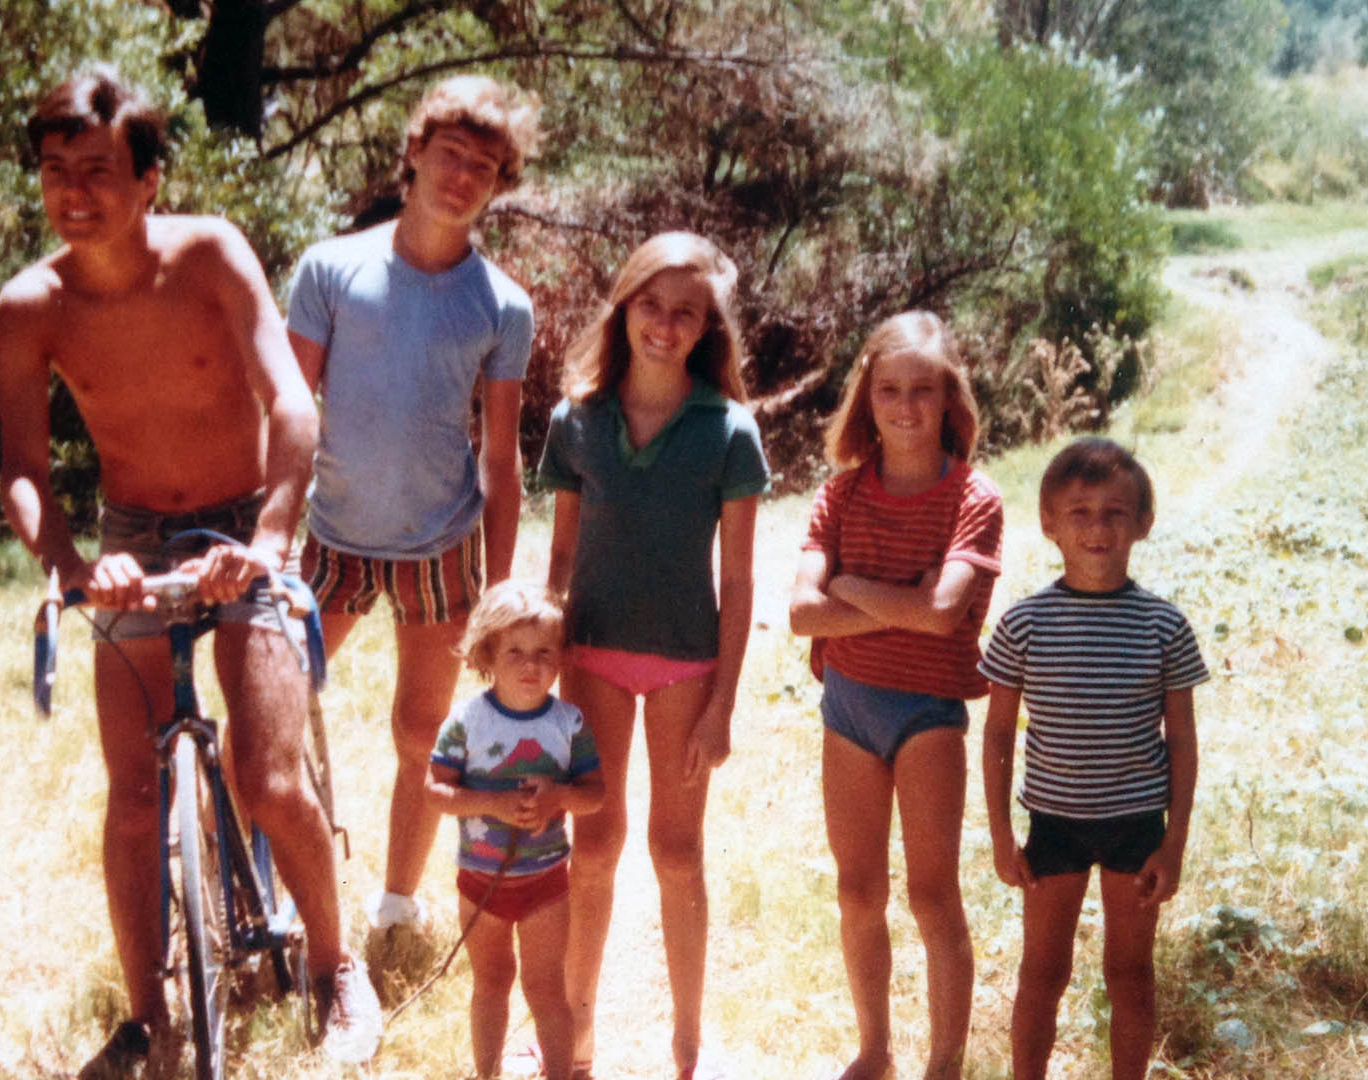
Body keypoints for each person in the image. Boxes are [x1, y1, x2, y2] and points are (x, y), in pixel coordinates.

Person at [0, 67, 380, 1075]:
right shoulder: (29, 305)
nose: (75, 194)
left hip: (244, 525)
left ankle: (336, 969)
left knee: (267, 774)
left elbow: (290, 402)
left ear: (151, 178)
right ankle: (145, 1016)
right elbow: (24, 472)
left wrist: (276, 537)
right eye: (55, 174)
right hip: (131, 539)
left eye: (99, 172)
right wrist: (75, 565)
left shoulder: (209, 253)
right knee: (130, 794)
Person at [285, 74, 543, 937]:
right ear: (415, 154)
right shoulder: (332, 268)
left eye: (484, 165)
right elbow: (288, 417)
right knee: (275, 706)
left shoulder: (502, 305)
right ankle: (270, 886)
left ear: (500, 185)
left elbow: (501, 459)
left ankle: (397, 903)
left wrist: (500, 591)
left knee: (420, 730)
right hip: (331, 535)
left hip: (439, 547)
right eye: (450, 154)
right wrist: (265, 538)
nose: (462, 175)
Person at [540, 232, 770, 1080]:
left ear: (707, 327)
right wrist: (536, 664)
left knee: (677, 853)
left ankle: (687, 1045)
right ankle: (575, 1037)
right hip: (591, 656)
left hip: (685, 666)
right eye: (650, 305)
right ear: (623, 305)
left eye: (685, 313)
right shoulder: (578, 419)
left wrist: (723, 706)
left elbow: (739, 580)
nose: (664, 326)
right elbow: (560, 561)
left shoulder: (729, 430)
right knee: (594, 847)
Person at [786, 311, 1004, 1080]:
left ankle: (944, 1063)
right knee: (856, 890)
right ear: (866, 399)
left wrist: (849, 586)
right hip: (848, 707)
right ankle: (874, 1049)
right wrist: (889, 597)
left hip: (927, 715)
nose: (905, 407)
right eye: (889, 391)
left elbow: (945, 613)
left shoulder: (973, 497)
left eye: (923, 390)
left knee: (933, 894)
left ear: (951, 398)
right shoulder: (841, 495)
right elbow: (800, 612)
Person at [979, 437, 1207, 1080]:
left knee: (1130, 975)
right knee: (1042, 972)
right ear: (1050, 523)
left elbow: (1182, 741)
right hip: (1053, 824)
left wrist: (1175, 842)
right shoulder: (1024, 623)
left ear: (1143, 523)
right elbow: (997, 735)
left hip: (1137, 827)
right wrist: (1001, 834)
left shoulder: (1164, 626)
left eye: (1115, 512)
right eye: (1079, 512)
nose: (1098, 527)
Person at [425, 581, 604, 1080]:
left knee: (546, 990)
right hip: (480, 880)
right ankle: (486, 1073)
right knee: (491, 982)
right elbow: (435, 792)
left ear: (562, 657)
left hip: (546, 882)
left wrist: (560, 796)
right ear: (487, 652)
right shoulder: (466, 722)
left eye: (545, 652)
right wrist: (493, 804)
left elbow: (596, 794)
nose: (531, 666)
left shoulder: (569, 723)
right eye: (515, 653)